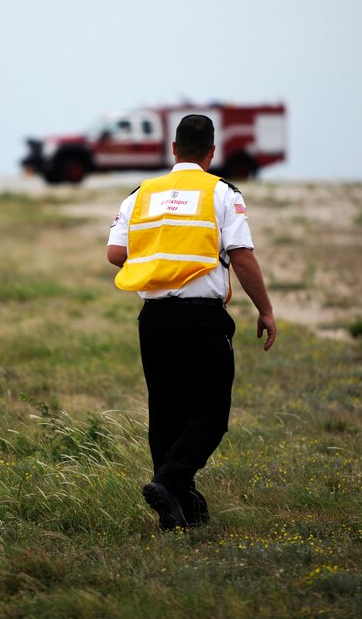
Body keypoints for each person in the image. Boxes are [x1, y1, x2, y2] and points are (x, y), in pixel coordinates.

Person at [106, 114, 276, 531]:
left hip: (154, 319)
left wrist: (158, 254)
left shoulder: (140, 194)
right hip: (201, 318)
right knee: (210, 414)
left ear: (174, 149)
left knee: (165, 413)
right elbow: (241, 254)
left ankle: (180, 508)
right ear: (211, 152)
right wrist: (265, 309)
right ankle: (169, 481)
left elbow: (115, 253)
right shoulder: (222, 192)